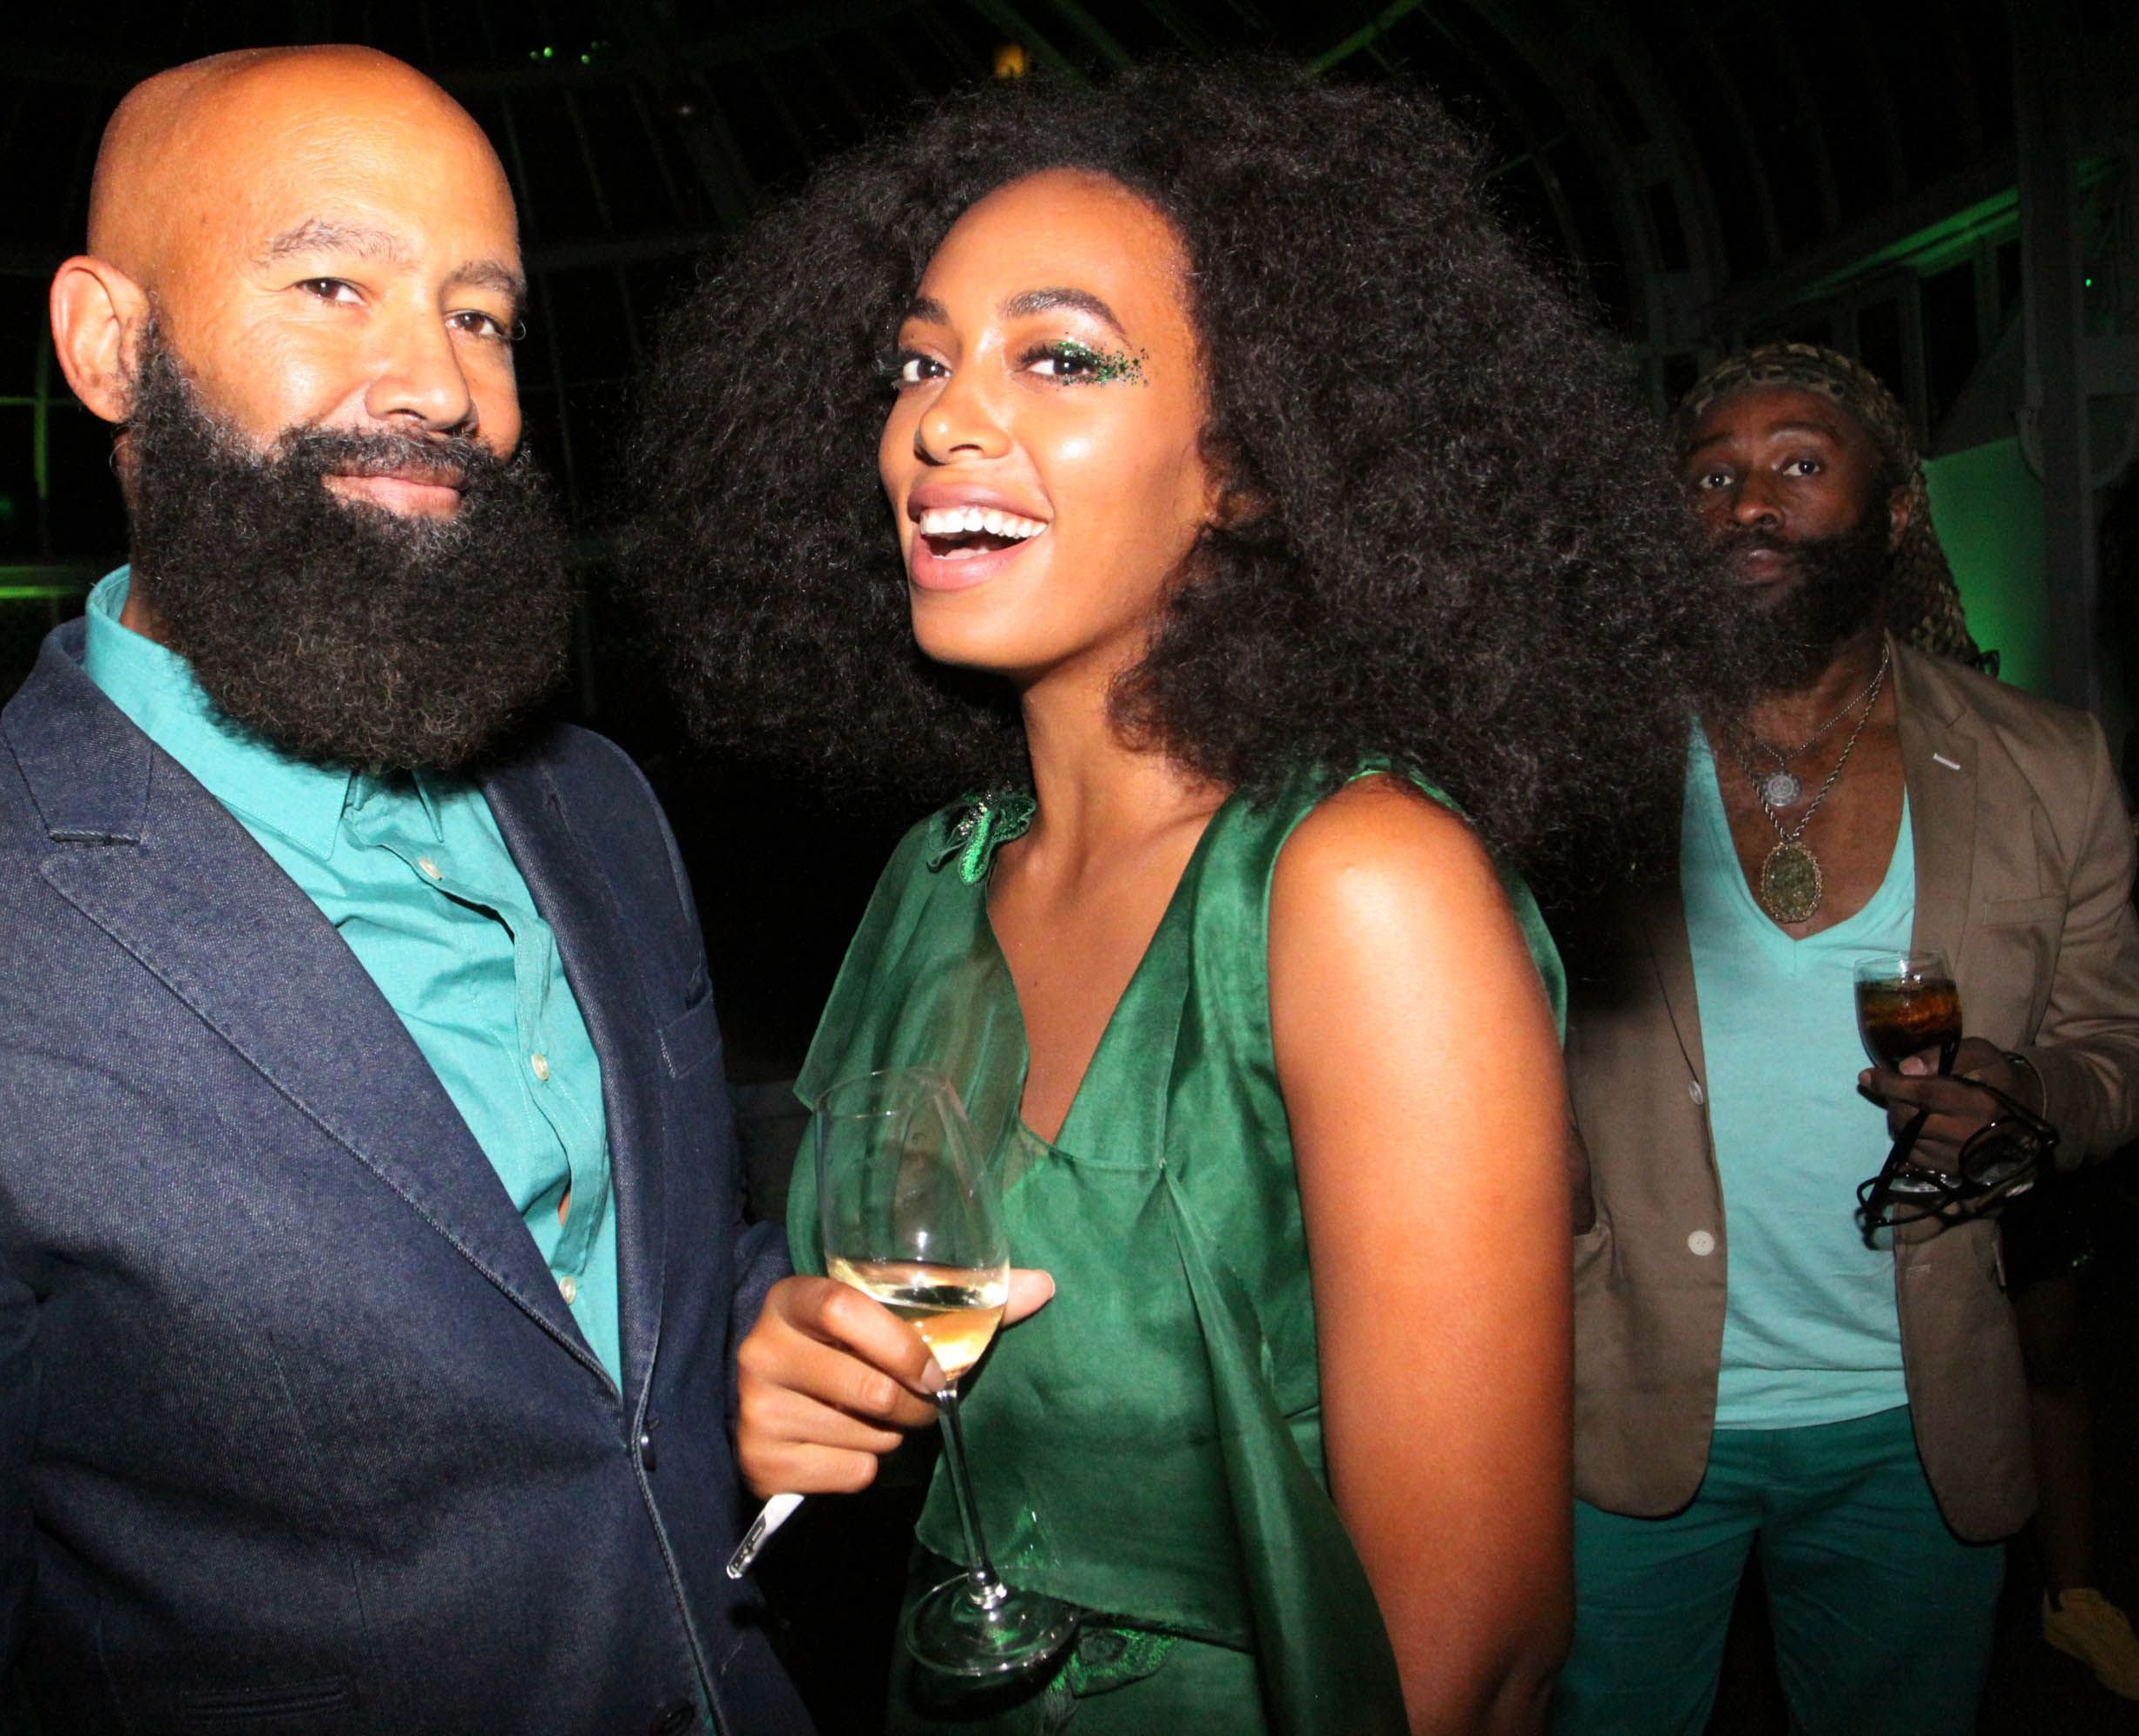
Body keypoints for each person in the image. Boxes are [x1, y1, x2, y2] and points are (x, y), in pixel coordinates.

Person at [0, 46, 807, 1736]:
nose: (438, 383)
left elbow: (610, 1296)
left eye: (484, 316)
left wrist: (757, 1328)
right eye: (333, 283)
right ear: (110, 344)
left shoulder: (600, 811)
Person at [626, 61, 1734, 1734]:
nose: (941, 421)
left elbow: (1473, 1663)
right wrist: (790, 1375)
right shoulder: (937, 882)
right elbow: (921, 1330)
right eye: (920, 362)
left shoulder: (1359, 888)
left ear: (1252, 467)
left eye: (1058, 358)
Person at [1555, 341, 2139, 1734]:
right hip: (1627, 1399)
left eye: (1796, 464)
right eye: (1710, 476)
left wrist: (2033, 1093)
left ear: (1894, 511)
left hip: (1915, 1416)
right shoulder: (1573, 762)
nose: (1747, 502)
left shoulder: (2044, 761)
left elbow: (2130, 1044)